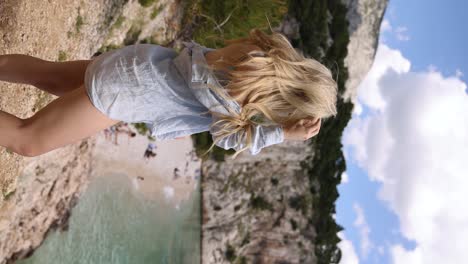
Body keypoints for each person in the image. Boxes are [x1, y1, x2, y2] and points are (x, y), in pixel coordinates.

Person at [0, 28, 336, 158]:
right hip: (128, 91)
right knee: (29, 141)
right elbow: (230, 137)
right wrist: (282, 133)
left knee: (48, 75)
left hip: (136, 65)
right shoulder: (238, 97)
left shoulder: (257, 54)